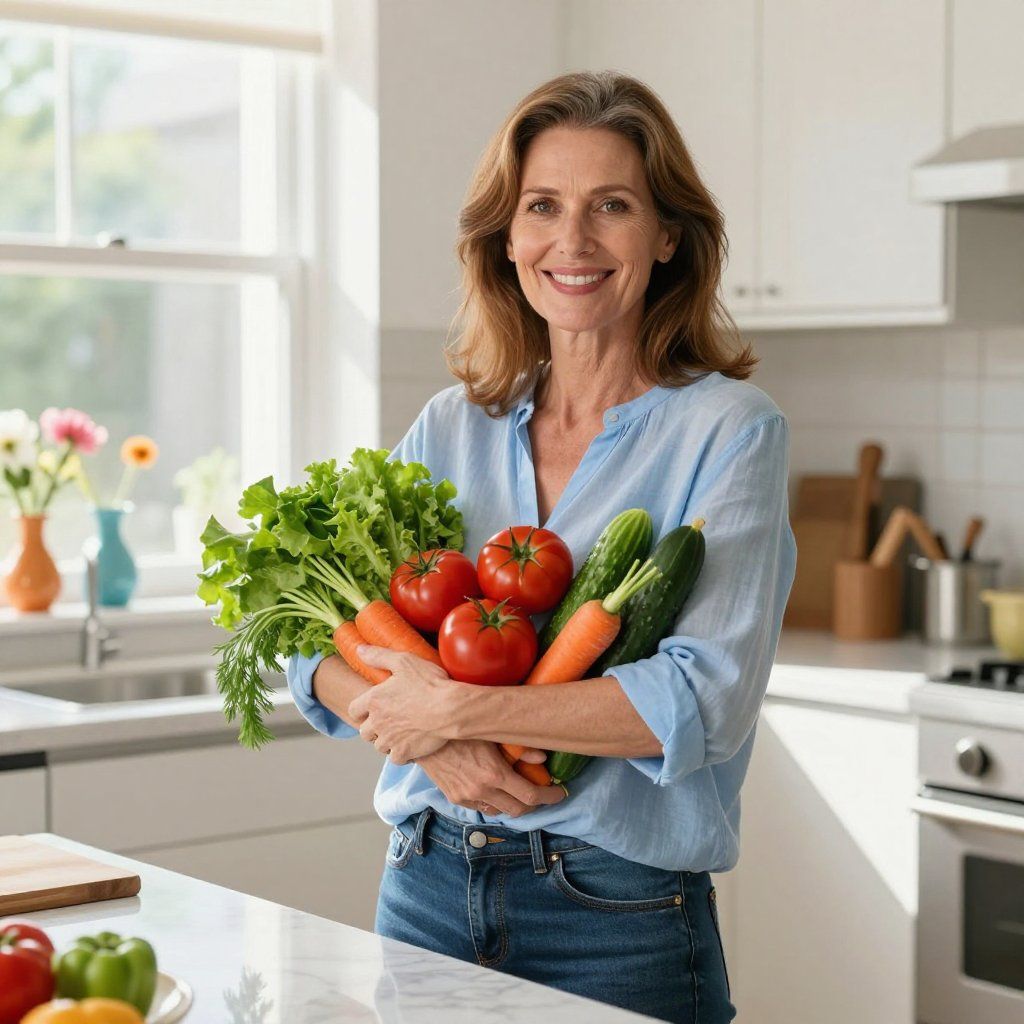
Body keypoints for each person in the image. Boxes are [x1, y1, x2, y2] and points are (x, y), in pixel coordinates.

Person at [287, 69, 796, 1024]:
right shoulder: (452, 428)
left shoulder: (731, 430)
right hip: (427, 882)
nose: (574, 240)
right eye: (543, 207)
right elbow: (302, 641)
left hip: (615, 911)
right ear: (508, 238)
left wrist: (459, 706)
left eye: (613, 205)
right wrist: (438, 741)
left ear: (669, 235)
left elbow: (702, 700)